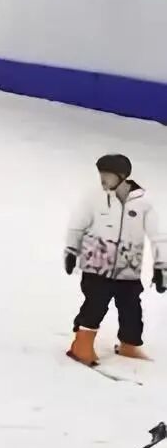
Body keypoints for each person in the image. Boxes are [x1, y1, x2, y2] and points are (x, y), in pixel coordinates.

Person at [65, 153, 164, 366]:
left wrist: (161, 266)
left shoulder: (143, 204)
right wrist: (71, 251)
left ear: (122, 176)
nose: (102, 179)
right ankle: (81, 344)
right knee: (95, 304)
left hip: (128, 269)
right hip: (96, 266)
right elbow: (76, 226)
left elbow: (158, 236)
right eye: (100, 174)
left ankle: (129, 344)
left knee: (131, 308)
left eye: (107, 175)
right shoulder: (93, 198)